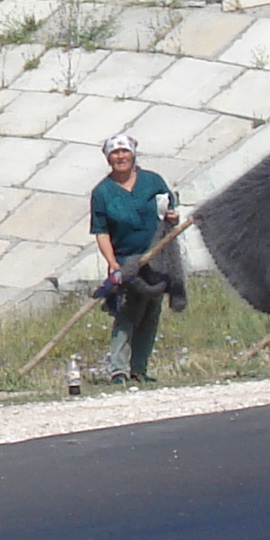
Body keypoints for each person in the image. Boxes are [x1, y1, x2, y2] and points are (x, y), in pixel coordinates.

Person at [88, 133, 178, 384]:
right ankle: (119, 370)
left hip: (156, 257)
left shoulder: (152, 181)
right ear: (108, 158)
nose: (120, 157)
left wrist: (172, 217)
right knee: (127, 313)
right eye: (115, 153)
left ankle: (139, 369)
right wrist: (113, 264)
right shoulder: (103, 192)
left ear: (132, 154)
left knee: (151, 313)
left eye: (124, 152)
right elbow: (101, 231)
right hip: (126, 261)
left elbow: (170, 207)